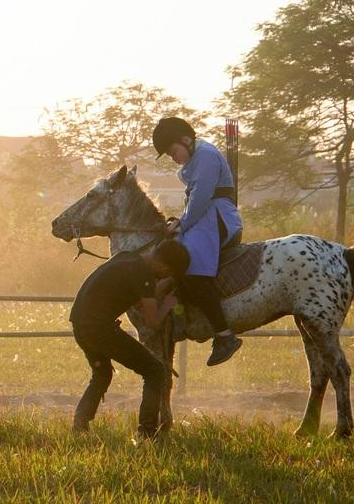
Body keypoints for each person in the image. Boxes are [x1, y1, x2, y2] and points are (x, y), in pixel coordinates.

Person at [69, 240, 190, 439]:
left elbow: (141, 296)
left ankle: (79, 426)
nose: (164, 277)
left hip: (79, 324)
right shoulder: (144, 276)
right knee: (155, 371)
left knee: (102, 374)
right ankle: (146, 432)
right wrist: (168, 304)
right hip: (100, 328)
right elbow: (153, 321)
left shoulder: (128, 257)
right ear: (163, 266)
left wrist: (165, 283)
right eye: (167, 273)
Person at [152, 117, 244, 366]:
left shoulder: (205, 155)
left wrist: (181, 223)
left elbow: (201, 198)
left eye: (173, 152)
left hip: (217, 217)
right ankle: (181, 317)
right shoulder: (195, 158)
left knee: (189, 266)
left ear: (186, 140)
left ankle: (224, 335)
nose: (174, 158)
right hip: (205, 217)